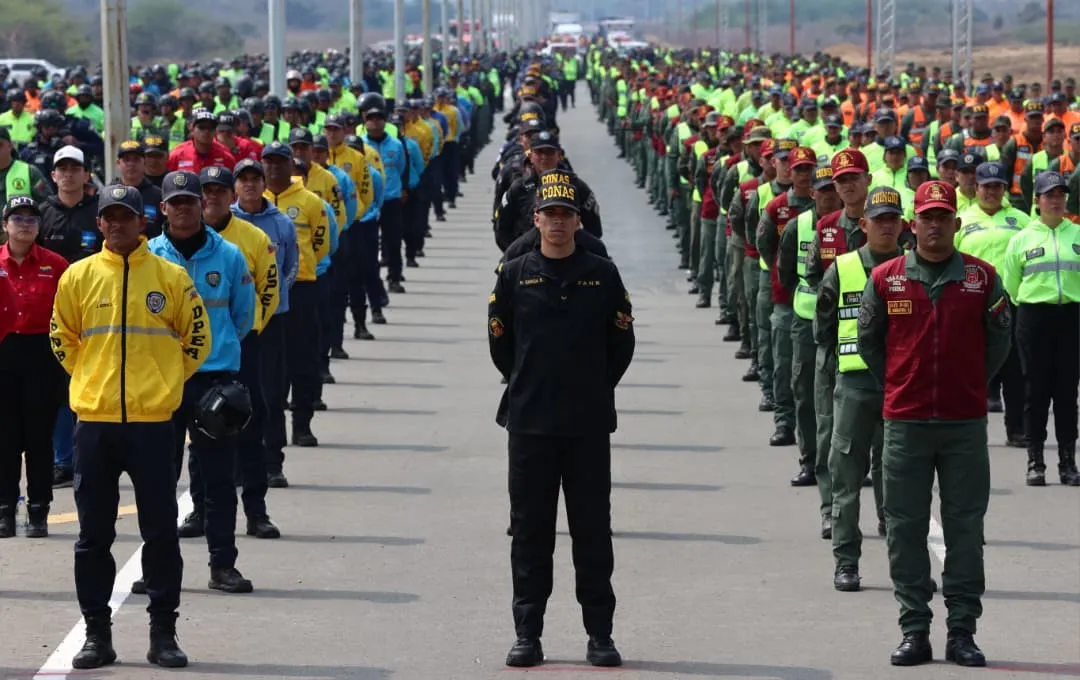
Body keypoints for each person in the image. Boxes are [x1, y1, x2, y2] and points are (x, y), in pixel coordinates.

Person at [51, 184, 207, 669]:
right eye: (109, 216)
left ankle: (163, 634)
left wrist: (163, 382)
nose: (117, 224)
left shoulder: (171, 277)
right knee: (92, 537)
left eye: (126, 216)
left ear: (143, 222)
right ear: (99, 223)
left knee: (160, 533)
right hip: (95, 424)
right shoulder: (78, 276)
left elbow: (197, 338)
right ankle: (97, 634)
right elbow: (62, 337)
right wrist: (90, 380)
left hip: (153, 425)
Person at [857, 180, 1011, 668]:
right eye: (927, 217)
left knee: (966, 530)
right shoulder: (886, 279)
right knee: (905, 529)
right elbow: (870, 344)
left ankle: (962, 631)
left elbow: (999, 343)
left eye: (943, 217)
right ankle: (914, 629)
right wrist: (900, 383)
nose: (935, 225)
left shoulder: (983, 279)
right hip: (906, 423)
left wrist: (970, 383)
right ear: (913, 224)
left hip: (964, 425)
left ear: (956, 223)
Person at [488, 169, 635, 669]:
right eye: (549, 213)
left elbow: (621, 343)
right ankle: (527, 633)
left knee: (592, 531)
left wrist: (592, 386)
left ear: (578, 221)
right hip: (530, 423)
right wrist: (529, 381)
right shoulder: (514, 274)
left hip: (586, 424)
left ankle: (600, 633)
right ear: (536, 219)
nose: (557, 222)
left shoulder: (602, 274)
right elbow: (501, 344)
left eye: (565, 214)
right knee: (530, 533)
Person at [148, 170, 256, 594]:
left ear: (202, 205)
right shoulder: (149, 256)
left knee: (219, 479)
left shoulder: (229, 255)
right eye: (175, 203)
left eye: (190, 201)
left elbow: (243, 316)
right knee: (158, 479)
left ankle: (222, 565)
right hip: (162, 380)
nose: (183, 209)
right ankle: (155, 569)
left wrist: (218, 350)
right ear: (164, 208)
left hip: (213, 380)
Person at [816, 187, 909, 591]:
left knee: (900, 478)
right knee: (847, 478)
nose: (887, 225)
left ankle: (905, 564)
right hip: (855, 385)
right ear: (863, 224)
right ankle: (846, 561)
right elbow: (823, 329)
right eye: (879, 219)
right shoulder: (843, 268)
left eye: (893, 218)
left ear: (903, 224)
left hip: (901, 385)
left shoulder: (915, 267)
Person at [198, 165, 282, 536]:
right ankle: (198, 510)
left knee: (248, 427)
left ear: (231, 196)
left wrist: (241, 332)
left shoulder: (252, 238)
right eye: (206, 191)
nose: (212, 198)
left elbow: (268, 290)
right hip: (192, 352)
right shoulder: (179, 241)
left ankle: (256, 511)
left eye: (219, 191)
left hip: (241, 346)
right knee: (197, 433)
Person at [1001, 171, 1080, 487]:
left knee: (1067, 392)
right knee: (1035, 391)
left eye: (1060, 194)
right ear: (1037, 200)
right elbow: (1011, 284)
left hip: (1071, 317)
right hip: (1034, 317)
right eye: (1049, 195)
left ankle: (1068, 462)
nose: (1056, 200)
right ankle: (1036, 461)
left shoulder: (1076, 234)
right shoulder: (1022, 239)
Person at [0, 196, 68, 538]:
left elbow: (71, 313)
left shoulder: (56, 265)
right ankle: (4, 509)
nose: (25, 224)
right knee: (5, 439)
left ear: (40, 227)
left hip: (43, 357)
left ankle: (39, 509)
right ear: (5, 225)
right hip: (4, 354)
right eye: (17, 218)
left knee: (40, 439)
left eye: (31, 219)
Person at [230, 158, 299, 488]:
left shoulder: (281, 223)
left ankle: (273, 461)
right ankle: (237, 463)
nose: (249, 185)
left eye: (255, 179)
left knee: (271, 393)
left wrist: (268, 303)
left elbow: (289, 267)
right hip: (233, 324)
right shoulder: (225, 223)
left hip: (272, 320)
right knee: (234, 392)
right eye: (243, 179)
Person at [955, 161, 1031, 447]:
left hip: (1011, 302)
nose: (992, 192)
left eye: (997, 186)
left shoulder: (1021, 220)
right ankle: (968, 430)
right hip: (971, 301)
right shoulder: (962, 220)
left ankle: (1017, 429)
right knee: (972, 368)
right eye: (987, 187)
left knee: (1015, 369)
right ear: (976, 188)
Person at [262, 141, 329, 451]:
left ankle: (302, 425)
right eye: (269, 161)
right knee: (270, 367)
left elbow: (321, 243)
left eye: (280, 161)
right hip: (263, 294)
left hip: (301, 289)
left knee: (303, 360)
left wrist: (300, 270)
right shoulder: (253, 202)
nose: (274, 167)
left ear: (291, 165)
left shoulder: (311, 201)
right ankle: (270, 432)